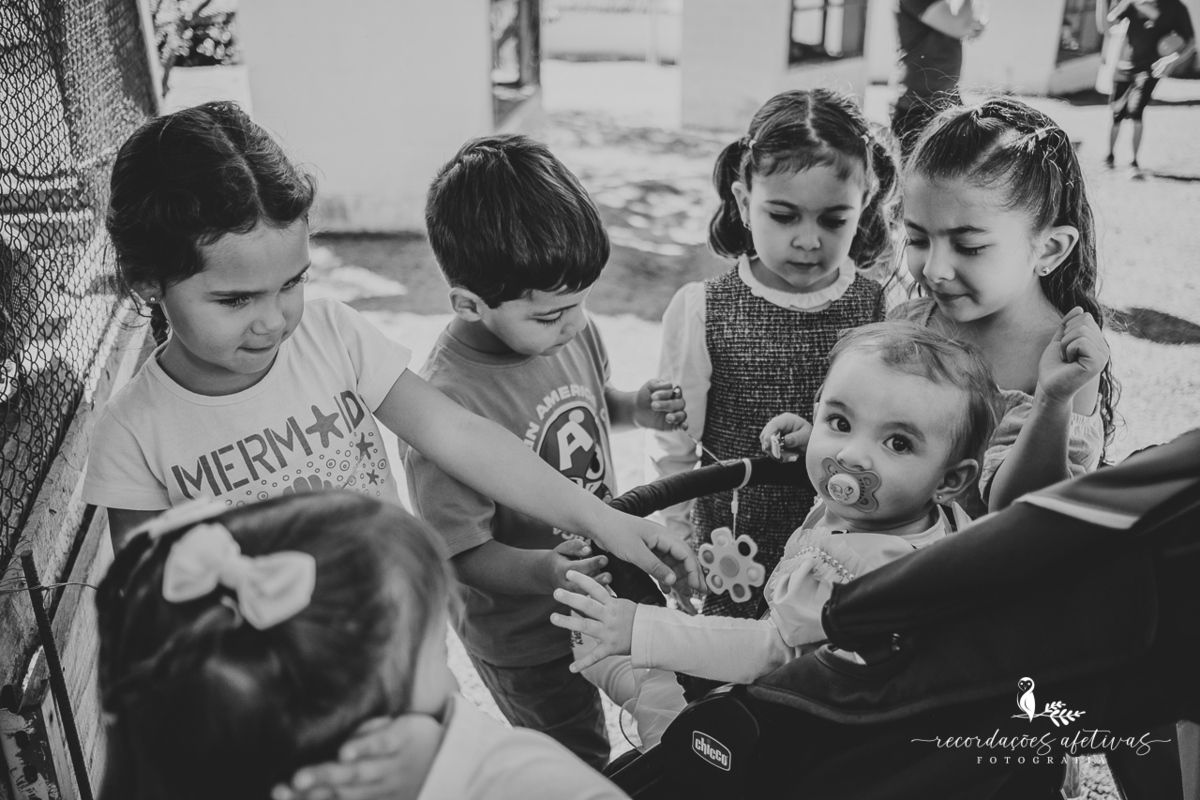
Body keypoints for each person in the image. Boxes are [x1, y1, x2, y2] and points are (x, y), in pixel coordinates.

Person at [81, 102, 698, 594]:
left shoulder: (332, 336)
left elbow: (460, 436)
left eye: (292, 283)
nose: (273, 321)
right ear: (147, 283)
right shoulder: (134, 434)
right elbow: (151, 594)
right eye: (235, 300)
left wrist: (605, 520)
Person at [400, 133, 689, 770]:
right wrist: (548, 574)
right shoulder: (444, 406)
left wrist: (631, 407)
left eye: (581, 302)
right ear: (471, 305)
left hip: (603, 598)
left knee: (661, 706)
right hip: (526, 639)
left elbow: (585, 404)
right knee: (572, 753)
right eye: (554, 314)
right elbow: (464, 554)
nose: (576, 324)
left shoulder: (566, 331)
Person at [94, 492, 631, 800]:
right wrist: (440, 766)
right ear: (364, 740)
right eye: (436, 657)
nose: (451, 684)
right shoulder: (518, 782)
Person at [552, 322, 997, 689]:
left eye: (897, 442)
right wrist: (813, 441)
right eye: (840, 422)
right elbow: (855, 462)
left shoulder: (860, 572)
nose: (850, 457)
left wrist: (640, 628)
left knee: (633, 684)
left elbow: (769, 651)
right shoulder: (930, 517)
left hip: (792, 714)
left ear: (951, 479)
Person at [650, 88, 897, 621]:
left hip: (848, 550)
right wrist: (677, 542)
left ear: (866, 203)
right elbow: (676, 445)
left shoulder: (882, 305)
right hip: (734, 546)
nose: (808, 240)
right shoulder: (702, 309)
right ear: (743, 202)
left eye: (834, 220)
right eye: (783, 215)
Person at [894, 97, 1116, 517]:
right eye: (918, 240)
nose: (936, 270)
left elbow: (1019, 513)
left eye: (969, 247)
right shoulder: (907, 326)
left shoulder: (1061, 363)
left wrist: (1052, 400)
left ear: (1048, 249)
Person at [1098, 0, 1196, 178]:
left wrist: (1171, 60)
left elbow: (1191, 42)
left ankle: (1133, 163)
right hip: (1124, 67)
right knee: (1116, 114)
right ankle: (1109, 157)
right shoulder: (1132, 2)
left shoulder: (1176, 8)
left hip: (1150, 69)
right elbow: (1107, 27)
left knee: (1136, 112)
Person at [891, 0, 988, 156]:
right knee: (918, 176)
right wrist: (964, 24)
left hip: (946, 101)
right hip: (919, 107)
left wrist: (970, 23)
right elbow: (959, 26)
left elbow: (962, 26)